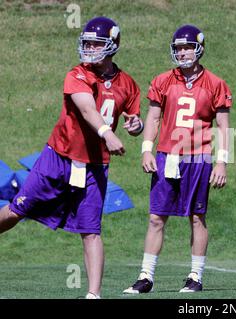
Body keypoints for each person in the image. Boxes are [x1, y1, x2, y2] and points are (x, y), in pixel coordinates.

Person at [0, 16, 144, 299]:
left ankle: (93, 294)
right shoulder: (77, 74)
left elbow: (133, 118)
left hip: (94, 166)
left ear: (112, 46)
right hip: (59, 158)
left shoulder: (127, 83)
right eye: (86, 42)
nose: (89, 48)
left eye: (95, 43)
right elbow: (88, 109)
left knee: (91, 229)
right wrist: (108, 133)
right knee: (17, 211)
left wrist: (134, 126)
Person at [123, 24, 232, 294]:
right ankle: (146, 276)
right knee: (156, 217)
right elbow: (153, 116)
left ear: (199, 48)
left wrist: (221, 162)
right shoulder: (163, 80)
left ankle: (195, 275)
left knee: (197, 216)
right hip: (167, 156)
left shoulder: (215, 83)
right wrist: (146, 149)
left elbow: (223, 127)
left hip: (198, 157)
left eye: (187, 47)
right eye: (178, 48)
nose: (182, 52)